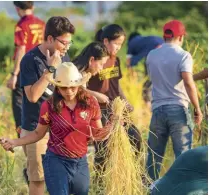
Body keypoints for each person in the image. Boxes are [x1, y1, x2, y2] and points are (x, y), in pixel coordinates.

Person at [0, 62, 112, 195]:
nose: (69, 91)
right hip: (56, 161)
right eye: (63, 87)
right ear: (57, 86)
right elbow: (38, 134)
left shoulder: (90, 103)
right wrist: (14, 142)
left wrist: (113, 125)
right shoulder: (49, 105)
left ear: (79, 84)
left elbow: (98, 134)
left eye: (72, 87)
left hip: (80, 163)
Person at [18, 16, 75, 195]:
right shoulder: (30, 60)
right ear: (50, 38)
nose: (67, 47)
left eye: (69, 43)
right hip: (35, 128)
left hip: (61, 127)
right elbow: (32, 96)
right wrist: (50, 70)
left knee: (65, 175)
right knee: (38, 178)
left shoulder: (65, 57)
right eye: (63, 42)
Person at [146, 20, 203, 181]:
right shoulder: (183, 55)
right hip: (178, 109)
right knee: (183, 156)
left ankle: (150, 190)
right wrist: (197, 108)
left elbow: (153, 78)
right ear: (181, 37)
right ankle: (182, 191)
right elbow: (188, 82)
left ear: (164, 36)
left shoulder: (152, 55)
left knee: (154, 156)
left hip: (157, 110)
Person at [84, 24, 142, 177]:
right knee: (103, 149)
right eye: (116, 44)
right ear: (105, 41)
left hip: (116, 107)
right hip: (99, 110)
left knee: (135, 136)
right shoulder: (94, 59)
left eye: (121, 45)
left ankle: (134, 175)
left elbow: (116, 86)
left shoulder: (116, 61)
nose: (118, 48)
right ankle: (100, 184)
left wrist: (125, 102)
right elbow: (81, 86)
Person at [6, 1, 45, 136]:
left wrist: (14, 74)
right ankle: (41, 133)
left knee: (19, 103)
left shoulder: (21, 25)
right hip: (40, 68)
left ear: (17, 9)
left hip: (26, 68)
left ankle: (22, 135)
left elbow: (21, 49)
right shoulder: (41, 24)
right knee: (39, 100)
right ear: (32, 7)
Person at [126, 32, 164, 105]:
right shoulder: (146, 39)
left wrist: (131, 81)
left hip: (156, 53)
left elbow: (129, 63)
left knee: (148, 82)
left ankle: (147, 104)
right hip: (165, 48)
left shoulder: (131, 43)